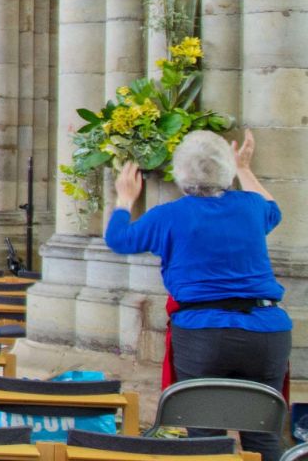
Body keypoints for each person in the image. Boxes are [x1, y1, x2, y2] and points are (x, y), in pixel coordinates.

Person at [105, 130, 290, 461]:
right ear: (226, 171)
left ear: (180, 174)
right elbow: (273, 209)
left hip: (205, 333)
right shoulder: (249, 206)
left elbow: (119, 238)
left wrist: (124, 198)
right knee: (263, 439)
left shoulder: (169, 215)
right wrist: (244, 168)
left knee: (204, 439)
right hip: (266, 330)